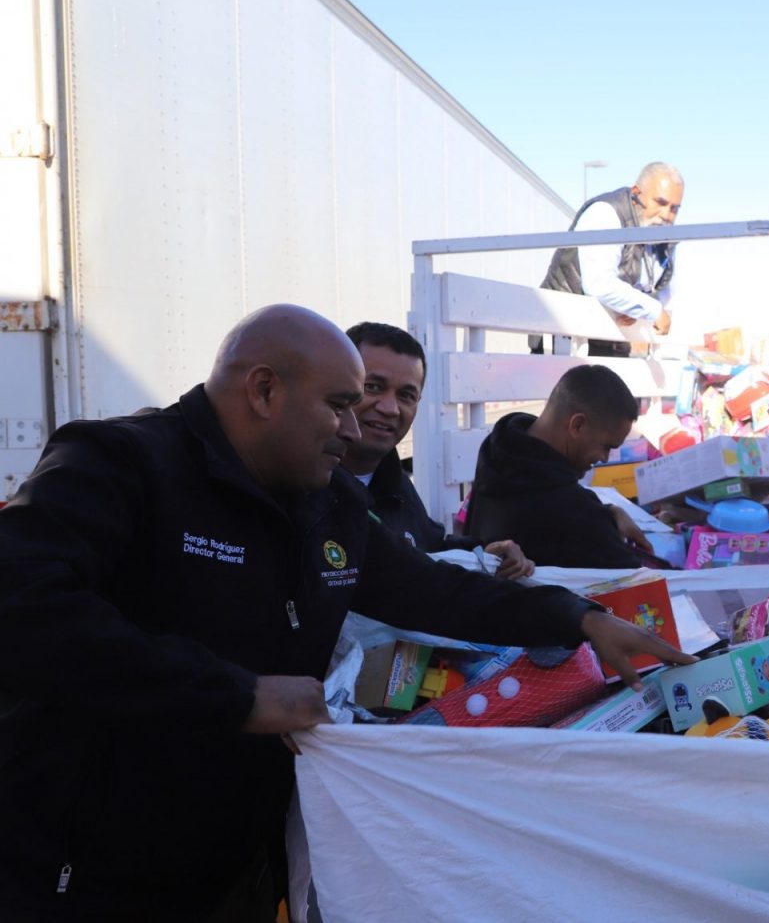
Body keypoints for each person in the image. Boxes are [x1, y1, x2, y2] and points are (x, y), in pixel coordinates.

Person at [0, 305, 690, 920]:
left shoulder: (326, 500)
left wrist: (579, 618)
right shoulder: (119, 463)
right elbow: (22, 610)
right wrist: (236, 695)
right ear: (264, 390)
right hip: (85, 865)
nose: (356, 428)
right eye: (340, 406)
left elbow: (433, 590)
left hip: (237, 857)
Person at [341, 321, 534, 578]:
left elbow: (427, 547)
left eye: (406, 395)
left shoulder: (392, 480)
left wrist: (485, 553)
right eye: (373, 387)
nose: (390, 408)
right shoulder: (302, 487)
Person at [466, 364, 654, 569]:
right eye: (606, 447)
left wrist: (608, 513)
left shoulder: (497, 456)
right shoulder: (576, 515)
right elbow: (642, 578)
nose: (605, 458)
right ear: (577, 425)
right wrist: (602, 519)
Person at [536, 161, 684, 357]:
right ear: (636, 193)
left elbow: (665, 290)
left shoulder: (664, 237)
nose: (666, 215)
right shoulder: (605, 213)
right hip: (564, 335)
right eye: (660, 202)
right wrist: (651, 309)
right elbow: (599, 283)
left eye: (674, 208)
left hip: (610, 339)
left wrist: (637, 306)